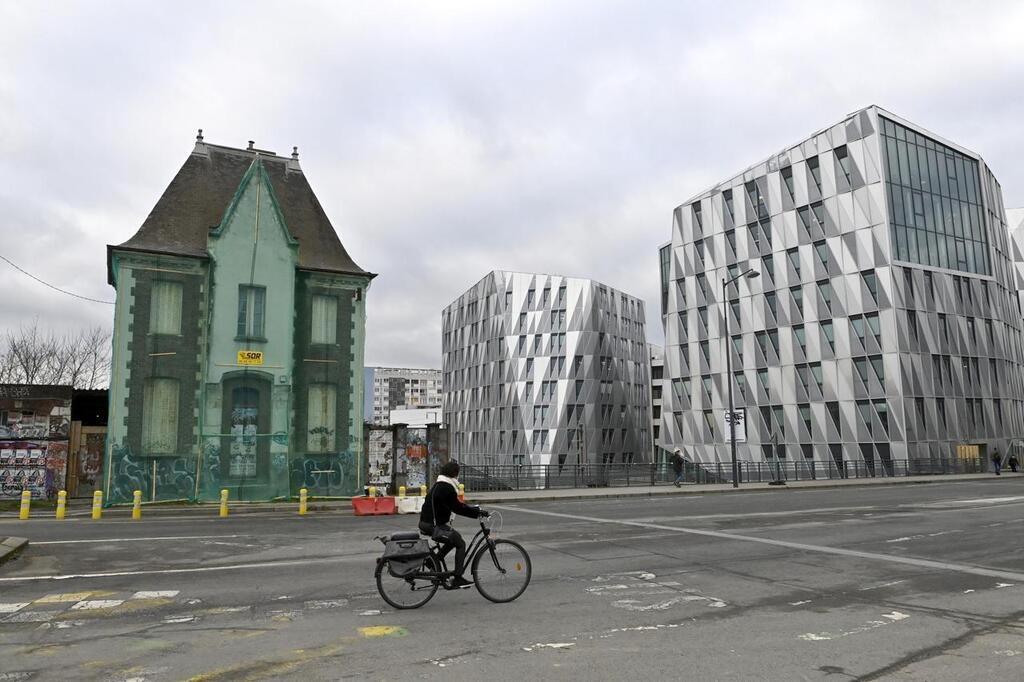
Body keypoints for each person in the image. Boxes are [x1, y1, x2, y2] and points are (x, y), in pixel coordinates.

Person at [419, 461, 486, 589]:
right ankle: (458, 578)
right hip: (433, 526)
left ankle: (433, 561)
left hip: (427, 523)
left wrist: (473, 510)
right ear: (454, 474)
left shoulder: (440, 485)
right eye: (458, 473)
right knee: (460, 543)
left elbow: (455, 506)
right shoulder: (447, 487)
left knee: (453, 538)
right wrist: (477, 513)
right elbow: (458, 508)